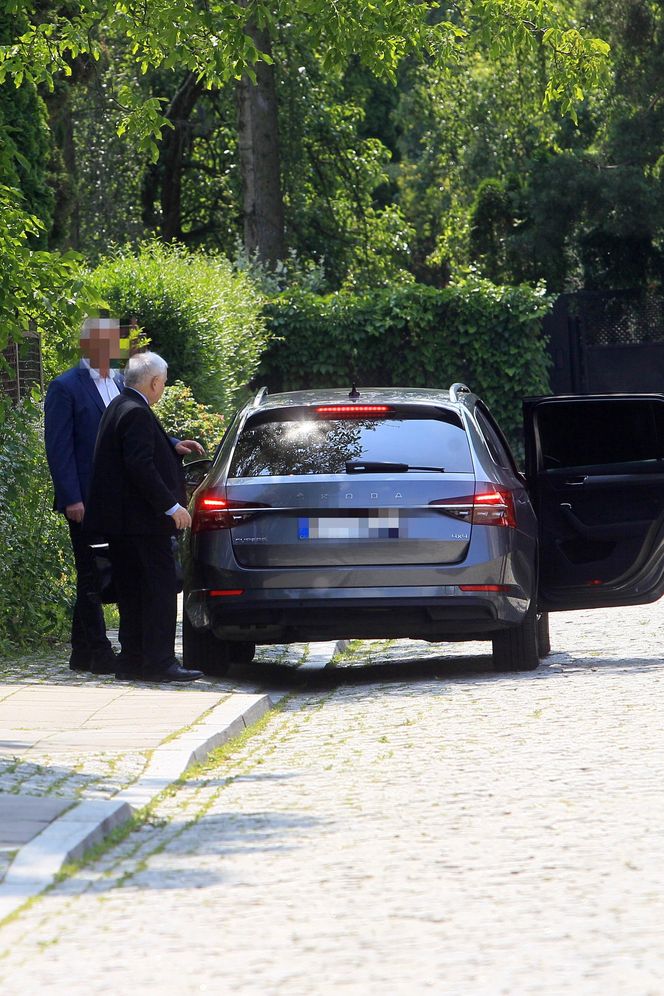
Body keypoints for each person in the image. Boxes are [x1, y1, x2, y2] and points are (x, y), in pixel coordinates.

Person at [84, 351, 204, 683]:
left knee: (132, 592)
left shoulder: (119, 405)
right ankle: (159, 661)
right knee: (159, 590)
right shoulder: (137, 412)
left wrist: (171, 445)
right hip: (144, 523)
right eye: (163, 383)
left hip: (122, 524)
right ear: (153, 382)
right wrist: (172, 506)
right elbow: (140, 464)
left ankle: (133, 659)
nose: (162, 389)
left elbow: (136, 449)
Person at [45, 318, 126, 674]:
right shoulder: (65, 387)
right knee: (92, 574)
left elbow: (133, 429)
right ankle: (100, 649)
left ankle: (81, 652)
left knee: (106, 572)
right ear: (88, 345)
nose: (112, 348)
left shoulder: (121, 382)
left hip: (120, 498)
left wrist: (171, 444)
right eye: (104, 341)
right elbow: (58, 447)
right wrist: (70, 498)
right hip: (85, 499)